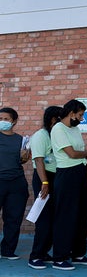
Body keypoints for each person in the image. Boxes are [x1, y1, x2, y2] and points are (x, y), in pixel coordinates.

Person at [50, 100, 87, 270]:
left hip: (79, 173)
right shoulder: (58, 129)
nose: (81, 118)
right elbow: (72, 153)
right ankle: (60, 257)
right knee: (65, 216)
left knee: (80, 215)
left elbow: (83, 156)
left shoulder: (75, 129)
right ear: (71, 113)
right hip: (66, 174)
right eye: (80, 114)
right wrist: (85, 153)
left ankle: (78, 253)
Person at [27, 106, 63, 269]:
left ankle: (45, 252)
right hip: (44, 177)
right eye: (60, 119)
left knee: (54, 217)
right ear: (53, 119)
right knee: (44, 217)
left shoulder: (57, 134)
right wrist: (45, 183)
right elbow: (39, 160)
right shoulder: (40, 136)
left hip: (57, 176)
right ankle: (35, 255)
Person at [0, 107, 30, 260]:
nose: (2, 122)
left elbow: (24, 160)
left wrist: (25, 156)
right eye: (1, 119)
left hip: (16, 182)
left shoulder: (21, 140)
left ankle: (7, 250)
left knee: (13, 218)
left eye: (6, 119)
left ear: (14, 121)